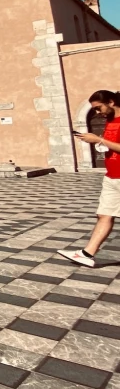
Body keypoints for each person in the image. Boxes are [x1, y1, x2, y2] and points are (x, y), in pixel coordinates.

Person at [59, 90, 120, 267]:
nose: (97, 112)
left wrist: (99, 140)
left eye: (99, 108)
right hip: (111, 176)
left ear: (111, 102)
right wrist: (98, 142)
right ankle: (86, 254)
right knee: (104, 214)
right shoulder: (109, 121)